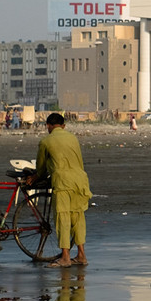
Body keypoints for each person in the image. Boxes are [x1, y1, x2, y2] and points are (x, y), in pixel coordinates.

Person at [36, 112, 92, 267]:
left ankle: (65, 257)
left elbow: (40, 169)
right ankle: (81, 255)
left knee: (63, 218)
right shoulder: (73, 138)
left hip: (62, 182)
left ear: (48, 126)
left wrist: (33, 178)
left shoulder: (46, 141)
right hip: (80, 180)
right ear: (63, 126)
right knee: (78, 218)